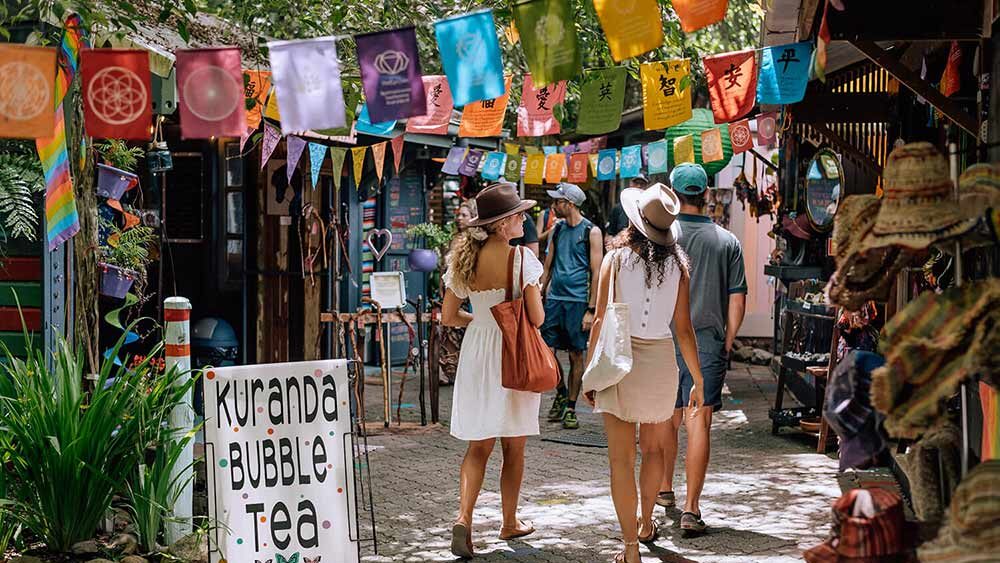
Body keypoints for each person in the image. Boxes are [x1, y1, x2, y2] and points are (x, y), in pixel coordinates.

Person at [585, 182, 705, 563]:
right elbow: (683, 328)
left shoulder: (615, 260)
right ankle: (647, 520)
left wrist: (590, 373)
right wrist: (698, 379)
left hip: (619, 359)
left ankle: (631, 549)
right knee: (654, 452)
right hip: (659, 360)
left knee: (620, 460)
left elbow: (601, 319)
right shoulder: (679, 265)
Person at [442, 182, 546, 559]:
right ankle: (509, 521)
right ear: (503, 225)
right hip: (512, 353)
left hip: (477, 351)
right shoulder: (523, 261)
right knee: (513, 447)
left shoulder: (464, 261)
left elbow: (449, 316)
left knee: (478, 445)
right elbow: (536, 318)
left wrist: (482, 319)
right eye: (518, 214)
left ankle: (464, 519)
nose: (524, 218)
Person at [658, 163, 747, 535]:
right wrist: (727, 341)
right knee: (699, 422)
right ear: (706, 195)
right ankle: (691, 510)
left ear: (675, 197)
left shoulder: (660, 236)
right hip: (707, 342)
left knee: (666, 415)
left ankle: (664, 488)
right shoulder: (727, 241)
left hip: (662, 338)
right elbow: (737, 300)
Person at [540, 182, 603, 430]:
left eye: (558, 201)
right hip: (555, 299)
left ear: (570, 204)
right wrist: (540, 292)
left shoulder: (591, 232)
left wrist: (591, 309)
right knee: (547, 351)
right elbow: (547, 266)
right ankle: (561, 391)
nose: (554, 205)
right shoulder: (557, 229)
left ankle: (570, 407)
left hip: (578, 301)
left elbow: (596, 272)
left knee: (576, 354)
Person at [439, 200, 478, 385]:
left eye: (465, 215)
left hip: (465, 294)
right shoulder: (453, 239)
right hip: (450, 290)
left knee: (463, 331)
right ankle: (449, 369)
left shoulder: (473, 242)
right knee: (448, 333)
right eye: (459, 215)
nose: (460, 218)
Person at [605, 174, 649, 247]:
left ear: (647, 187)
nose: (639, 186)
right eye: (636, 183)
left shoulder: (650, 208)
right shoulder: (618, 208)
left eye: (642, 184)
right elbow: (608, 235)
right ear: (630, 184)